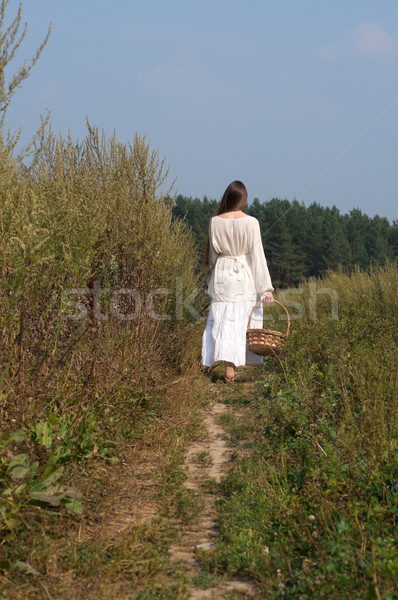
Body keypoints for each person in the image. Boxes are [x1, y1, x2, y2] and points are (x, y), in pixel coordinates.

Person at [201, 180, 274, 382]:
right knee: (241, 321)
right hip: (244, 274)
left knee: (224, 321)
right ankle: (235, 362)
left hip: (223, 273)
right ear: (243, 199)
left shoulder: (215, 221)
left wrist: (213, 276)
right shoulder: (251, 222)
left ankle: (228, 365)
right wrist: (266, 288)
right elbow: (258, 256)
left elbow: (213, 256)